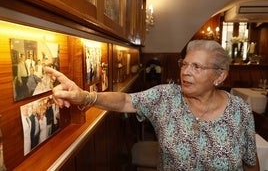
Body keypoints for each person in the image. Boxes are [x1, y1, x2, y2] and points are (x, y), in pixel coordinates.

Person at [44, 40, 259, 170]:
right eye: (184, 64)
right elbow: (126, 100)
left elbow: (251, 163)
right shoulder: (166, 98)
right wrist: (85, 97)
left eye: (196, 66)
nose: (185, 71)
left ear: (220, 76)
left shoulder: (240, 111)